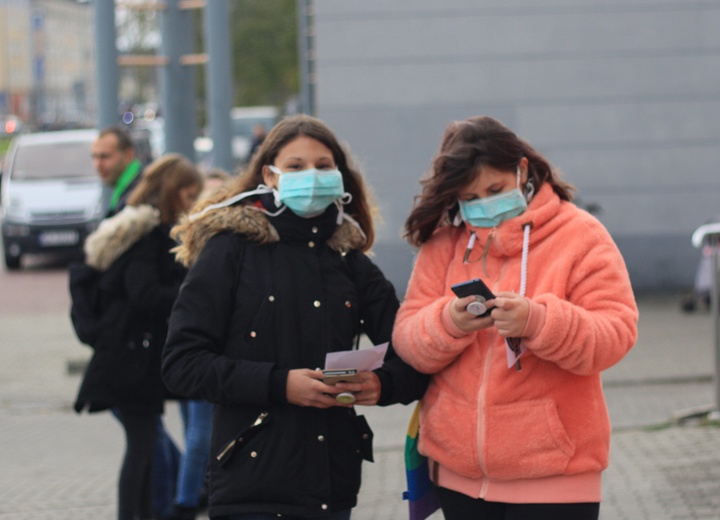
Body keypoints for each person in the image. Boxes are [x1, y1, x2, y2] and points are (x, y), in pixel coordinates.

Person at [161, 114, 428, 520]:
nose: (313, 176)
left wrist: (381, 385)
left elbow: (412, 349)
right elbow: (181, 364)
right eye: (296, 166)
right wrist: (279, 384)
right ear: (269, 175)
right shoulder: (230, 250)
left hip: (331, 483)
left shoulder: (349, 260)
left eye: (324, 166)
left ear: (339, 175)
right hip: (251, 483)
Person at [391, 115, 639, 520]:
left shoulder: (581, 235)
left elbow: (616, 333)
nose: (484, 204)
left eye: (495, 189)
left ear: (522, 169)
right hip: (456, 477)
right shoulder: (444, 244)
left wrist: (539, 322)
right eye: (470, 197)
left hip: (556, 480)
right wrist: (449, 322)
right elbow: (408, 339)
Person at [74, 154, 203, 520]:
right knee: (143, 447)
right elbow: (143, 293)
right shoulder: (147, 236)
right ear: (173, 194)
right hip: (127, 358)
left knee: (146, 447)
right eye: (190, 195)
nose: (193, 203)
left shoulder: (146, 231)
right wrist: (190, 293)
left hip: (135, 358)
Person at [92, 125, 145, 217]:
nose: (98, 165)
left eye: (105, 156)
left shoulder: (138, 195)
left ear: (128, 155)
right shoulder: (132, 187)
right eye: (95, 157)